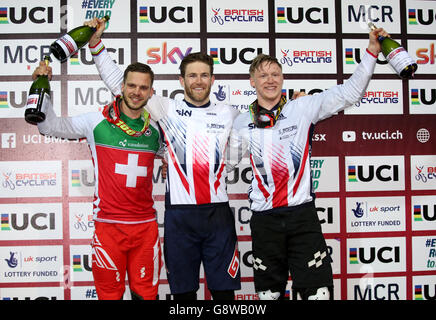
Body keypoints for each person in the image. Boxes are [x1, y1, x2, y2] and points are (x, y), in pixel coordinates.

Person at [227, 27, 390, 300]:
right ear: (252, 82)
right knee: (268, 295)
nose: (270, 80)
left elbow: (350, 93)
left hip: (302, 216)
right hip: (265, 220)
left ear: (283, 78)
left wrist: (373, 50)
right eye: (263, 75)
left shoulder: (302, 108)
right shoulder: (242, 122)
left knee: (319, 294)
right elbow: (224, 164)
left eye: (275, 74)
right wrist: (169, 158)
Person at [85, 18, 241, 300]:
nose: (198, 81)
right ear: (181, 81)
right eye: (192, 76)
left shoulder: (228, 113)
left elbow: (259, 129)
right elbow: (118, 83)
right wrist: (96, 45)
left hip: (218, 213)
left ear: (213, 79)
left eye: (204, 75)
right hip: (180, 214)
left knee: (224, 293)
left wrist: (222, 164)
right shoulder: (166, 108)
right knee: (184, 295)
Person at [33, 60, 165, 300]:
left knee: (147, 295)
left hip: (145, 227)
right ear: (122, 87)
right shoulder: (96, 122)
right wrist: (42, 88)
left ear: (151, 92)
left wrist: (168, 163)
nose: (137, 92)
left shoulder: (156, 129)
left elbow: (178, 157)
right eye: (132, 86)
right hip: (108, 227)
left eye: (143, 88)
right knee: (109, 295)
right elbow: (49, 126)